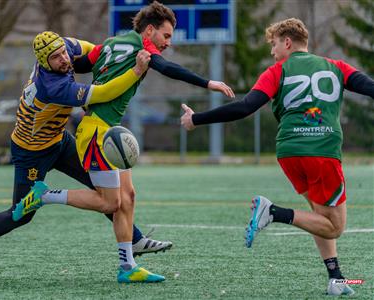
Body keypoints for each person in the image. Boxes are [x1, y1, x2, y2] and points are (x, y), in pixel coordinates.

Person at [13, 1, 234, 283]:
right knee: (109, 203)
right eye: (165, 36)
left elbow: (80, 63)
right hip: (96, 132)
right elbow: (167, 68)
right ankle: (44, 196)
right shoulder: (143, 50)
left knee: (128, 199)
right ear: (150, 30)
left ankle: (127, 267)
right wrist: (208, 83)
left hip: (109, 129)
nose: (167, 43)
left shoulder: (112, 42)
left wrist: (55, 64)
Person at [0, 31, 172, 282]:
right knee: (22, 213)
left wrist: (119, 52)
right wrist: (136, 72)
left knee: (102, 189)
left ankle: (135, 239)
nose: (64, 59)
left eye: (63, 53)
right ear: (44, 62)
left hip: (58, 140)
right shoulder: (52, 86)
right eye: (56, 58)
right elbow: (104, 93)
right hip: (31, 152)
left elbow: (96, 51)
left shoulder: (64, 46)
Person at [181, 18, 374, 296]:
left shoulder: (277, 71)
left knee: (319, 216)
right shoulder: (336, 67)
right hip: (321, 152)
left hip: (289, 153)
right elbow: (370, 88)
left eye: (273, 45)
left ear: (287, 42)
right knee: (334, 227)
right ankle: (272, 212)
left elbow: (244, 108)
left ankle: (336, 277)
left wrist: (197, 119)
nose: (272, 51)